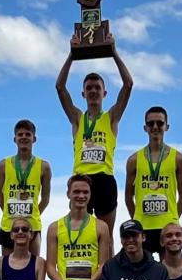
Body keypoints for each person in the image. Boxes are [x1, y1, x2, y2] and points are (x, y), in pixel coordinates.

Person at [56, 36, 133, 235]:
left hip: (104, 178)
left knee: (105, 233)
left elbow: (128, 84)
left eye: (97, 88)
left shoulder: (112, 117)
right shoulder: (77, 118)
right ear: (82, 94)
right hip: (81, 178)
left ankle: (106, 267)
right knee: (80, 231)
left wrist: (113, 52)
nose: (92, 91)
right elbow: (60, 87)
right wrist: (72, 55)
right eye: (88, 88)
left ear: (104, 93)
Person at [124, 107, 182, 255]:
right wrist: (137, 220)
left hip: (167, 227)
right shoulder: (134, 160)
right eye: (150, 123)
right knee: (143, 274)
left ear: (167, 126)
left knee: (169, 273)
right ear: (145, 127)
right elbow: (128, 196)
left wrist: (173, 219)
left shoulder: (178, 159)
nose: (155, 127)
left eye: (159, 123)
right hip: (143, 227)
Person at [0, 119, 51, 256]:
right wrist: (10, 213)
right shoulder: (3, 165)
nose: (24, 137)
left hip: (32, 224)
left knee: (33, 266)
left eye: (28, 134)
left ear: (34, 138)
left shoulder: (44, 166)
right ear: (15, 139)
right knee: (7, 268)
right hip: (8, 224)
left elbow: (45, 198)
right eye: (20, 135)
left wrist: (32, 214)